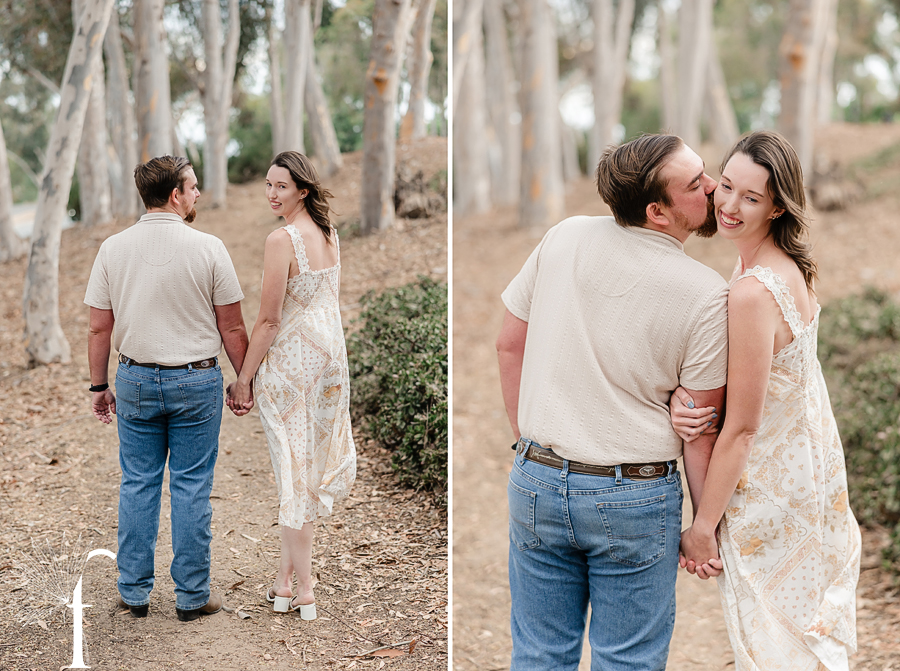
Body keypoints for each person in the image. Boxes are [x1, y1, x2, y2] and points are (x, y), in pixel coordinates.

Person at [496, 133, 729, 670]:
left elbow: (510, 344)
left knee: (538, 656)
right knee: (628, 661)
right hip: (633, 501)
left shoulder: (565, 236)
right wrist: (703, 527)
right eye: (696, 184)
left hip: (536, 483)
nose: (713, 188)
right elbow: (701, 430)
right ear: (658, 212)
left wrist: (528, 444)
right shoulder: (705, 294)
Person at [671, 130, 861, 670]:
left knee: (776, 649)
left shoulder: (752, 292)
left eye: (750, 198)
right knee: (798, 640)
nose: (728, 206)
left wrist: (703, 527)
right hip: (813, 471)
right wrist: (685, 402)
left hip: (777, 493)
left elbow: (744, 427)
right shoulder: (779, 265)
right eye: (725, 186)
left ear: (778, 205)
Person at [85, 155, 250, 621]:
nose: (198, 194)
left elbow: (99, 329)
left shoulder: (112, 248)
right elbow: (233, 328)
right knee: (191, 486)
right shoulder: (210, 247)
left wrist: (99, 385)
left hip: (134, 378)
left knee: (138, 483)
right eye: (193, 187)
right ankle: (192, 597)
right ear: (175, 194)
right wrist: (244, 381)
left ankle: (134, 593)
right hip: (196, 380)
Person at [227, 151, 356, 619]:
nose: (271, 194)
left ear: (302, 190)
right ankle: (283, 582)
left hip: (294, 366)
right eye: (267, 184)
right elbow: (327, 303)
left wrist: (244, 378)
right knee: (301, 471)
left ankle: (306, 588)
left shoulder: (282, 239)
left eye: (280, 186)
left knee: (293, 476)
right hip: (330, 361)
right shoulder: (329, 235)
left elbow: (268, 319)